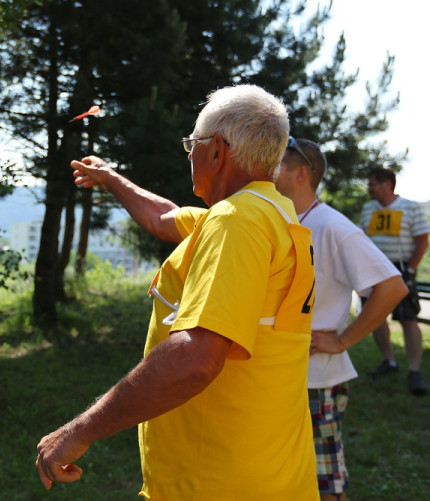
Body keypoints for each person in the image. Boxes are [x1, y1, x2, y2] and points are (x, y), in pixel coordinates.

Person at [35, 85, 319, 500]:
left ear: (218, 151)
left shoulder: (236, 222)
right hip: (272, 474)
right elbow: (166, 216)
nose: (189, 154)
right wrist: (111, 179)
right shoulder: (271, 214)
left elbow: (196, 358)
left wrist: (79, 430)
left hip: (215, 483)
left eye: (193, 144)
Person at [274, 138, 408, 501]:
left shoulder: (333, 226)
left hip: (318, 376)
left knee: (325, 476)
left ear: (301, 174)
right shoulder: (284, 221)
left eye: (277, 163)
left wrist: (343, 340)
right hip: (282, 372)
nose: (268, 168)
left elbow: (392, 288)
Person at [359, 167, 430, 395]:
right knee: (375, 316)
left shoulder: (411, 207)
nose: (369, 188)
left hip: (400, 270)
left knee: (408, 318)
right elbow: (363, 238)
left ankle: (415, 370)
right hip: (374, 270)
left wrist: (409, 270)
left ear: (387, 184)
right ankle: (389, 360)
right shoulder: (369, 209)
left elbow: (422, 241)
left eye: (372, 184)